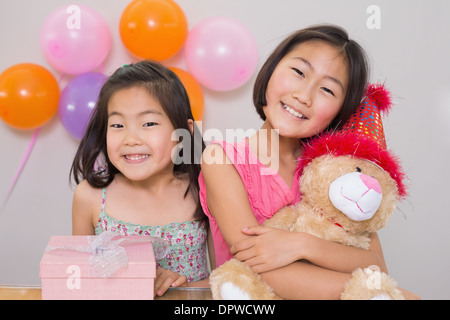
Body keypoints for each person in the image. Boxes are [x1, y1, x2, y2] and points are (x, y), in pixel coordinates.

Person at [200, 25, 418, 299]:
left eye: (327, 90)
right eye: (299, 72)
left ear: (341, 110)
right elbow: (254, 265)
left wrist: (303, 245)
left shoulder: (335, 169)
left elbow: (375, 264)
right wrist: (378, 292)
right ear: (272, 70)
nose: (303, 96)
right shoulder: (222, 160)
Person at [71, 60, 212, 297]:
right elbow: (79, 282)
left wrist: (183, 288)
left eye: (148, 123)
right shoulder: (90, 197)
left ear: (183, 133)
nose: (131, 138)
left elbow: (229, 279)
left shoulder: (205, 190)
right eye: (117, 124)